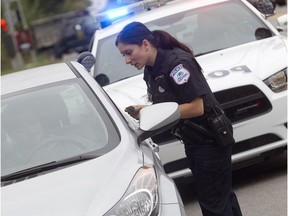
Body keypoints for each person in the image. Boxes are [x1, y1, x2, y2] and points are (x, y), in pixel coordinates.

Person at [115, 22, 243, 216]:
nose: (126, 60)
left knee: (214, 203)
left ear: (145, 44)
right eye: (123, 55)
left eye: (129, 52)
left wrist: (156, 111)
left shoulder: (177, 64)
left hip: (210, 140)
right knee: (221, 197)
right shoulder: (152, 69)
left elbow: (196, 107)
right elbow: (171, 104)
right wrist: (147, 110)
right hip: (195, 141)